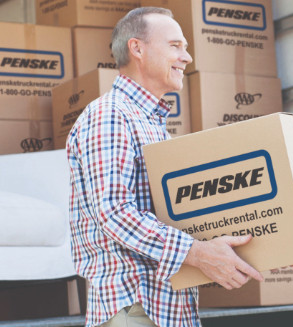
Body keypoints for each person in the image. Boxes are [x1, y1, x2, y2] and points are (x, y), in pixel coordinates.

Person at [66, 7, 263, 327]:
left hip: (167, 307)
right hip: (134, 305)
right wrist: (198, 253)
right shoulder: (109, 115)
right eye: (176, 46)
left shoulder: (155, 128)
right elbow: (114, 212)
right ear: (137, 49)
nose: (186, 58)